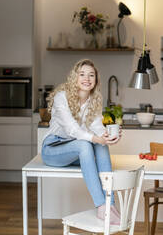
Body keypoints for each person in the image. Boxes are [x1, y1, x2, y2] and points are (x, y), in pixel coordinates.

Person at [42, 59, 121, 224]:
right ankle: (101, 207)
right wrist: (96, 138)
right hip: (53, 149)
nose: (87, 78)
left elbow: (97, 127)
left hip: (74, 150)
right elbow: (72, 129)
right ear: (75, 78)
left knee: (100, 145)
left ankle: (110, 205)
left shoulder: (93, 100)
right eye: (82, 74)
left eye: (91, 75)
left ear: (96, 80)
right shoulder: (61, 97)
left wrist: (108, 136)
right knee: (86, 144)